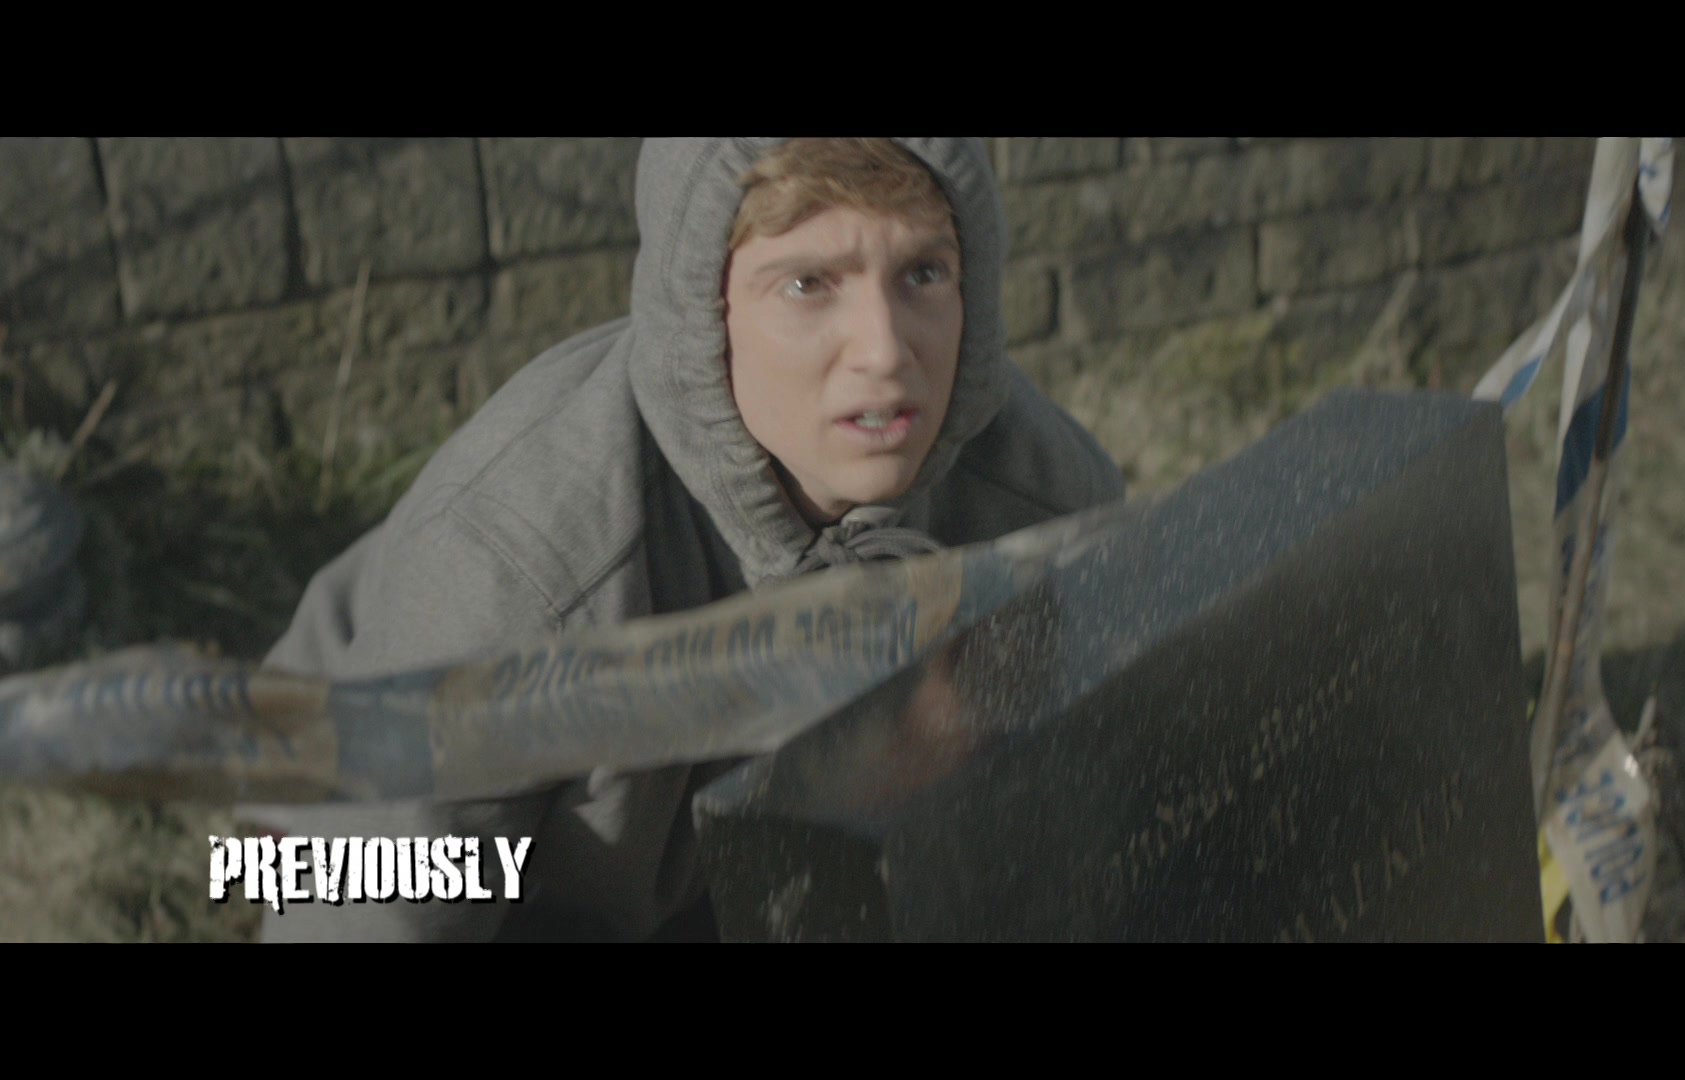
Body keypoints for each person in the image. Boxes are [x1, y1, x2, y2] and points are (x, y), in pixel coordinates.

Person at [245, 137, 1125, 942]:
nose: (885, 352)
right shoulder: (525, 564)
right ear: (705, 311)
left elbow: (1095, 829)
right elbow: (356, 905)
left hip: (727, 865)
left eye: (923, 273)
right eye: (808, 284)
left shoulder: (1041, 501)